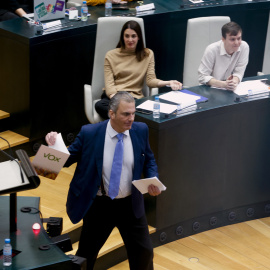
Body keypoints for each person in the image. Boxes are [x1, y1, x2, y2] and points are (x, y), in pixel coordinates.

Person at [45, 92, 161, 270]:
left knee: (144, 253)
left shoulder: (140, 130)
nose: (131, 119)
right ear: (112, 113)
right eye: (125, 114)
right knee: (85, 256)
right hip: (100, 206)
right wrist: (53, 146)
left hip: (131, 205)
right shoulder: (90, 133)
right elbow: (63, 161)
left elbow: (149, 160)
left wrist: (153, 178)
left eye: (133, 113)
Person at [95, 20, 182, 119]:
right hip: (114, 97)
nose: (130, 40)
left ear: (139, 37)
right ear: (122, 37)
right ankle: (128, 119)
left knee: (143, 111)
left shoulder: (148, 54)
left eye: (133, 36)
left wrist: (168, 82)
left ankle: (122, 120)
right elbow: (110, 86)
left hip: (133, 98)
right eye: (126, 36)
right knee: (100, 105)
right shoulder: (111, 55)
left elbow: (150, 80)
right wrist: (120, 103)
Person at [198, 21, 249, 91]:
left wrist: (233, 82)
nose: (237, 43)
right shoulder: (211, 50)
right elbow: (202, 77)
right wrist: (223, 84)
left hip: (228, 90)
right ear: (223, 39)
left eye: (239, 38)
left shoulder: (244, 47)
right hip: (209, 89)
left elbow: (239, 72)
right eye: (232, 39)